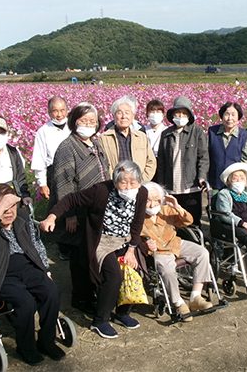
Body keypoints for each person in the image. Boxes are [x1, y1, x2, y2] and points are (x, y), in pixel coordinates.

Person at [40, 161, 148, 339]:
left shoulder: (141, 193)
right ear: (114, 183)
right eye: (123, 182)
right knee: (113, 277)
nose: (128, 187)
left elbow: (137, 223)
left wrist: (132, 250)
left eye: (133, 182)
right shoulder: (101, 191)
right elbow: (70, 200)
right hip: (102, 241)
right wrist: (52, 216)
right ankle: (100, 321)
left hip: (126, 240)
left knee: (132, 274)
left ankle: (122, 313)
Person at [0, 183, 64, 365]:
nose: (9, 211)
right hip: (0, 272)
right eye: (3, 206)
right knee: (26, 302)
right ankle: (26, 347)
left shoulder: (22, 217)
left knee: (51, 292)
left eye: (12, 205)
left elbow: (37, 245)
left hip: (27, 266)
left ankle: (46, 341)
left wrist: (45, 269)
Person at [48, 102, 110, 314]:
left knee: (92, 252)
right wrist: (70, 215)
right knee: (79, 255)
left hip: (95, 209)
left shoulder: (95, 143)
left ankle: (92, 291)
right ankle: (80, 298)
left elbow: (106, 171)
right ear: (74, 122)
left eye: (92, 121)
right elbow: (63, 183)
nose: (88, 124)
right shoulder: (67, 147)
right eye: (83, 121)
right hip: (77, 211)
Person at [141, 182, 212, 321]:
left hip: (174, 243)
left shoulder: (165, 210)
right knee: (167, 269)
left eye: (156, 200)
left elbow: (187, 221)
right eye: (148, 200)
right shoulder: (138, 215)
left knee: (202, 253)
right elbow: (134, 237)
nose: (151, 204)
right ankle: (177, 302)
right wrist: (145, 245)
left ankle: (195, 296)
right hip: (158, 251)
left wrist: (177, 206)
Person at [157, 97, 209, 227]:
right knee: (173, 222)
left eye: (184, 113)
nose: (180, 116)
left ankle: (196, 245)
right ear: (173, 115)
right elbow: (162, 161)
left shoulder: (196, 131)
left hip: (190, 186)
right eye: (178, 113)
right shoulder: (166, 134)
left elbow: (203, 156)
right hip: (171, 186)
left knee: (192, 221)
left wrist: (202, 176)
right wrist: (161, 183)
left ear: (189, 116)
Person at [99, 96, 156, 182]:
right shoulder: (104, 138)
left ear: (133, 116)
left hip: (139, 184)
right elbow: (102, 164)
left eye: (127, 112)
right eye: (119, 113)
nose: (124, 116)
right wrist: (115, 181)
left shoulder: (141, 137)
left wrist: (141, 180)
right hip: (115, 184)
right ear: (113, 116)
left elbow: (151, 162)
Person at [30, 96, 71, 200]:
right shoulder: (43, 131)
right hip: (54, 173)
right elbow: (39, 159)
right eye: (55, 111)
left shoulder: (73, 127)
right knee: (58, 207)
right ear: (49, 112)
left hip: (74, 170)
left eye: (62, 110)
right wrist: (42, 184)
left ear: (67, 110)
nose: (59, 114)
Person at [208, 101, 247, 191]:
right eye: (227, 114)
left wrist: (241, 180)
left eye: (233, 115)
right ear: (222, 116)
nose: (230, 118)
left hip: (235, 184)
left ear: (238, 117)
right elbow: (205, 157)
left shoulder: (244, 135)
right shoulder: (212, 132)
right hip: (214, 182)